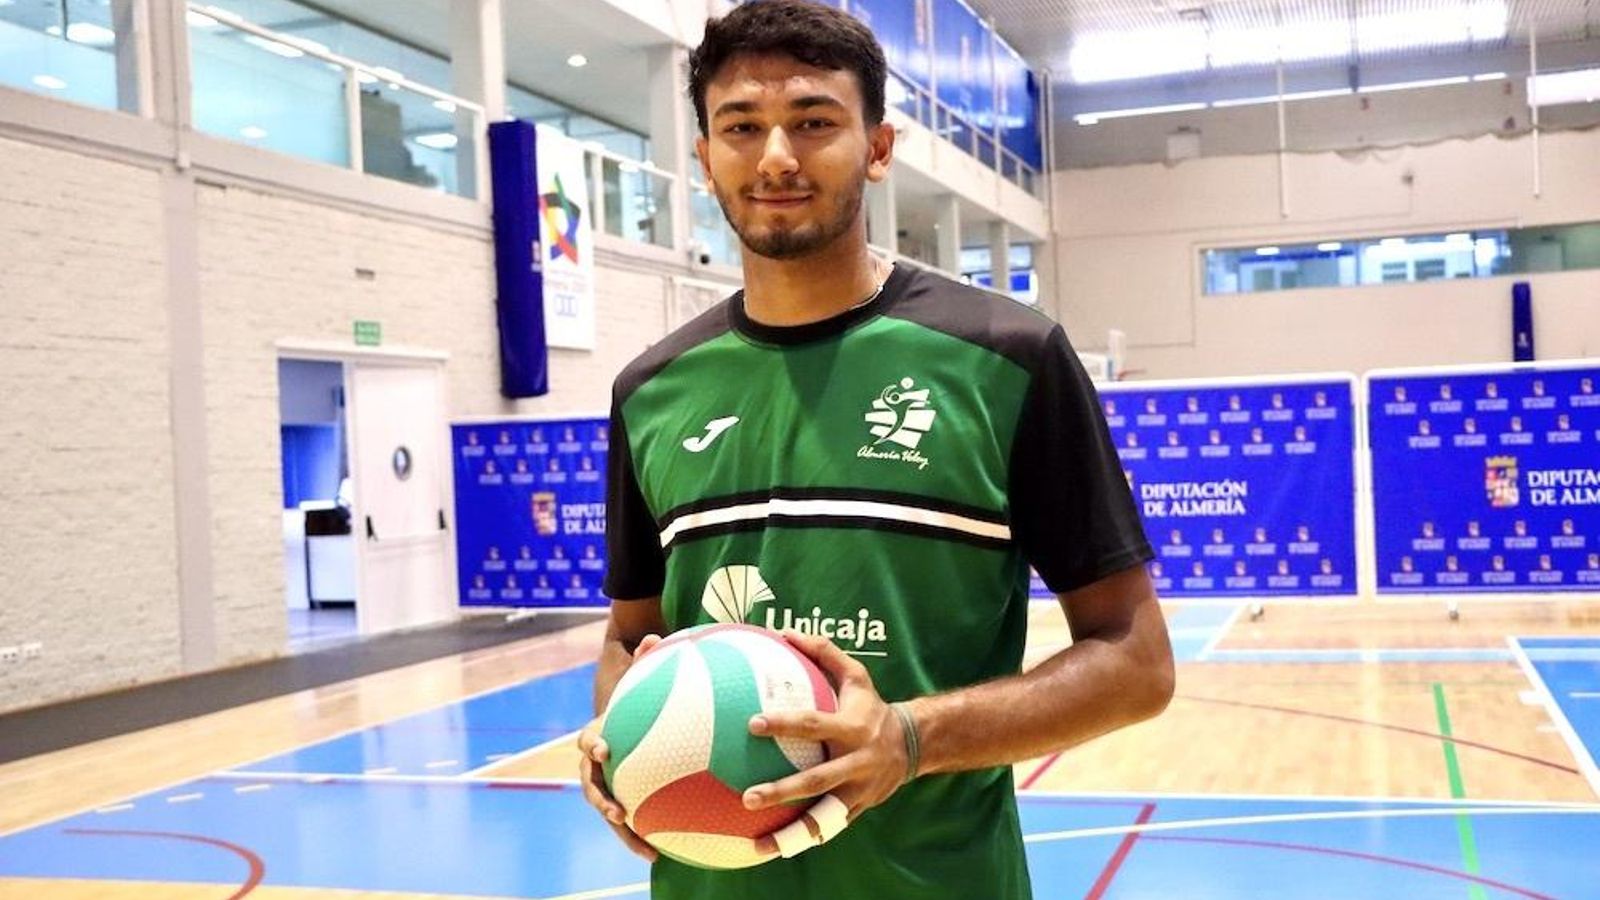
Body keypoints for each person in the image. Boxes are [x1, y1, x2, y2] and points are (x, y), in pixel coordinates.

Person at [578, 2, 1174, 897]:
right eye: (741, 127)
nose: (776, 155)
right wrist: (619, 741)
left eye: (814, 122)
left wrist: (910, 737)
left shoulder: (1006, 359)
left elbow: (1136, 659)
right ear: (704, 159)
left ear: (879, 147)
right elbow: (631, 639)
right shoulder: (650, 390)